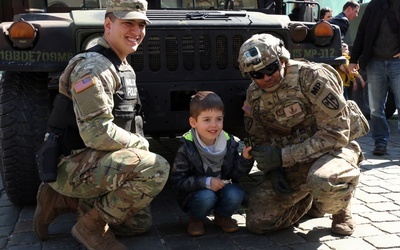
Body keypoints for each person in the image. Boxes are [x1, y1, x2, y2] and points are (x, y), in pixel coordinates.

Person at [33, 0, 170, 249]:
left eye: (141, 24)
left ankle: (65, 200)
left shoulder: (120, 63)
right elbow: (96, 134)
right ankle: (90, 227)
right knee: (156, 169)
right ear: (108, 24)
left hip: (93, 158)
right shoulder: (93, 68)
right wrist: (140, 144)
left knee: (137, 224)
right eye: (127, 23)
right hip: (70, 161)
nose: (136, 31)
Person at [237, 33, 369, 236]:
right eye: (257, 74)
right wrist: (274, 169)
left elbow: (336, 133)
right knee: (258, 222)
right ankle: (307, 199)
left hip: (332, 151)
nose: (265, 78)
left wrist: (282, 157)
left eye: (270, 68)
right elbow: (260, 137)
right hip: (293, 161)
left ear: (282, 60)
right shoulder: (254, 95)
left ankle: (340, 208)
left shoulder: (311, 77)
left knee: (324, 181)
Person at [170, 91, 254, 236]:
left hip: (222, 187)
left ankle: (222, 217)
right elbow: (178, 181)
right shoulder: (187, 146)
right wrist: (206, 182)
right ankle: (196, 219)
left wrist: (245, 159)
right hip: (197, 194)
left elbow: (235, 174)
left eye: (218, 119)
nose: (214, 125)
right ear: (193, 122)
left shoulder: (229, 142)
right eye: (207, 120)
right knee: (206, 196)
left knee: (236, 193)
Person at [348, 0, 400, 156]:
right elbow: (362, 32)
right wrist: (353, 59)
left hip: (398, 63)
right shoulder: (374, 5)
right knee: (376, 108)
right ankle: (380, 142)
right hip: (375, 62)